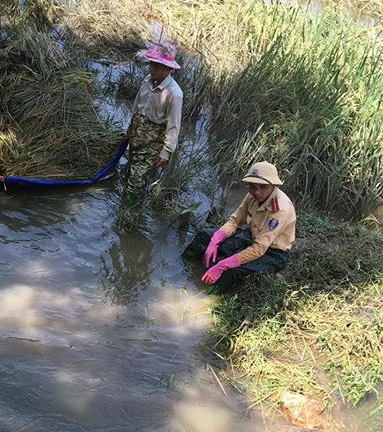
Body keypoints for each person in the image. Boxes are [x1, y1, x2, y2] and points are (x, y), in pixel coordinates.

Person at [183, 161, 296, 291]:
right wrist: (215, 240)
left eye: (263, 187)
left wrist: (223, 265)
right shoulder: (251, 196)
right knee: (205, 235)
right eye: (253, 186)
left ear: (273, 185)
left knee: (233, 271)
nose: (257, 192)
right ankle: (185, 269)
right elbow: (234, 221)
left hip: (272, 252)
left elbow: (259, 248)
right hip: (251, 236)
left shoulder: (281, 209)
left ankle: (205, 297)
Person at [125, 42, 183, 188]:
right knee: (129, 171)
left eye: (157, 66)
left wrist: (166, 152)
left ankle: (129, 209)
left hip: (152, 143)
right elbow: (137, 105)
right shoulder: (147, 80)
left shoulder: (173, 93)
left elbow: (173, 125)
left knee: (136, 178)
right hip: (136, 135)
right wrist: (129, 129)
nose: (151, 69)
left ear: (168, 69)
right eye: (151, 64)